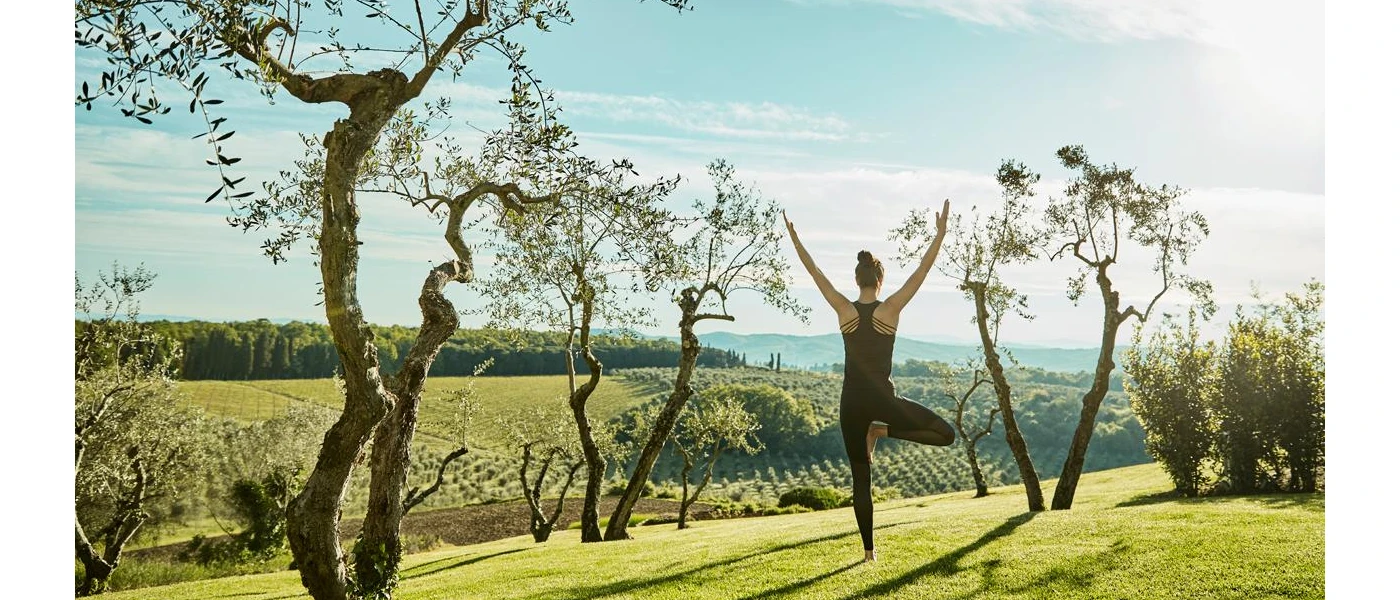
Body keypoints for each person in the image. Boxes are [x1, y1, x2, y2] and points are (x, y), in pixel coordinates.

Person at [782, 201, 956, 563]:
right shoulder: (890, 310)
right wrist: (939, 234)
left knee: (861, 482)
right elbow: (922, 272)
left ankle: (868, 554)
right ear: (879, 281)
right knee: (946, 435)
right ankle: (882, 431)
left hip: (851, 406)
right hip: (884, 404)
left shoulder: (844, 311)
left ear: (856, 280)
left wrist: (795, 238)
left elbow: (814, 272)